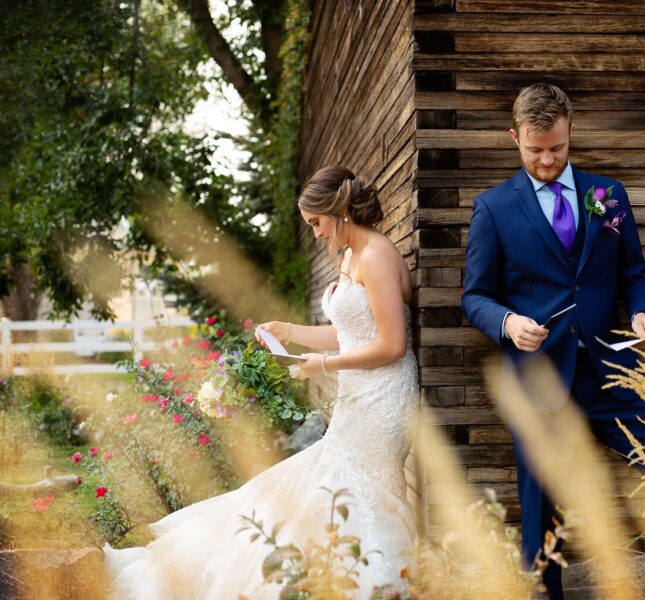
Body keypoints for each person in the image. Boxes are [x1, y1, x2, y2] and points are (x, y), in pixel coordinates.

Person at [104, 165, 419, 599]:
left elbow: (392, 344)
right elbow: (351, 333)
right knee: (331, 483)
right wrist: (290, 332)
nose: (316, 235)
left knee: (360, 486)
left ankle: (367, 579)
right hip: (357, 394)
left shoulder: (377, 254)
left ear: (341, 210)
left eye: (317, 223)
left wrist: (323, 366)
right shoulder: (350, 257)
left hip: (383, 398)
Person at [461, 83, 645, 600]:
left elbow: (635, 275)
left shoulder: (609, 196)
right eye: (535, 150)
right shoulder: (492, 209)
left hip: (611, 376)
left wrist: (642, 311)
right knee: (539, 516)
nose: (547, 160)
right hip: (537, 383)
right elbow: (475, 297)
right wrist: (508, 323)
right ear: (514, 138)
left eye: (556, 147)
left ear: (571, 131)